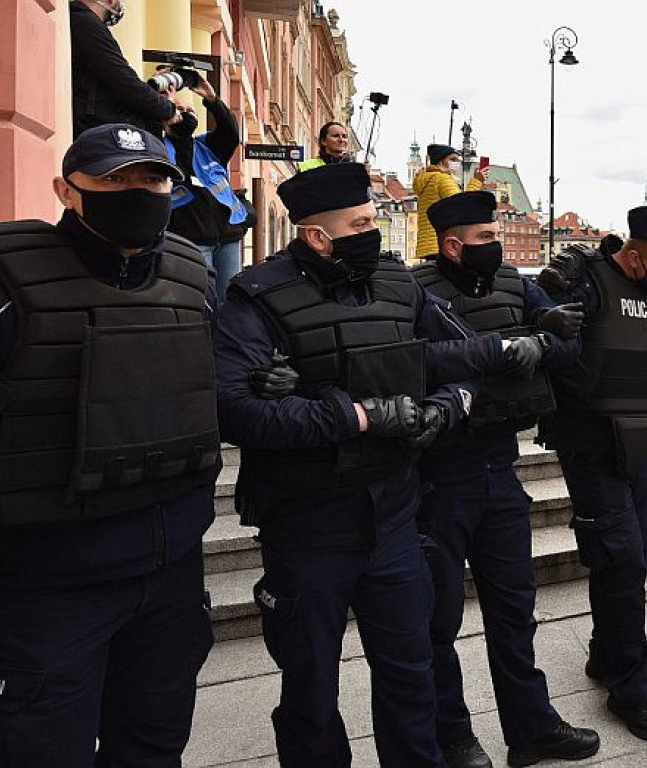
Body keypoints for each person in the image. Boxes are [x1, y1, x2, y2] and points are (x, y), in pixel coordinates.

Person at [213, 162, 521, 766]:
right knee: (310, 689)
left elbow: (458, 362)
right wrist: (354, 416)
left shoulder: (399, 286)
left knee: (410, 675)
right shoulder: (255, 297)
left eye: (372, 220)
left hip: (396, 522)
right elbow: (235, 413)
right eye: (359, 224)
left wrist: (444, 407)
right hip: (307, 526)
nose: (373, 232)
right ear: (317, 237)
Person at [0, 125, 218, 765]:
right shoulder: (1, 280)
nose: (136, 191)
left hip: (171, 574)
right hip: (52, 586)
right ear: (66, 190)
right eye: (114, 179)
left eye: (152, 178)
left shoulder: (194, 274)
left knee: (152, 748)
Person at [410, 191, 598, 768]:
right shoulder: (417, 292)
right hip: (439, 476)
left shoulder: (516, 285)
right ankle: (454, 735)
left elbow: (570, 340)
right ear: (452, 243)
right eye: (487, 238)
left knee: (514, 609)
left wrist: (539, 340)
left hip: (500, 466)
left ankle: (531, 725)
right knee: (437, 619)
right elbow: (415, 359)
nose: (498, 246)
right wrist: (498, 350)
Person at [535, 206, 647, 744]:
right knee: (622, 557)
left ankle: (605, 656)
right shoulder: (592, 281)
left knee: (628, 556)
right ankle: (631, 690)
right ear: (632, 253)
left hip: (643, 437)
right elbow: (557, 348)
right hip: (593, 441)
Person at [163, 78, 248, 306]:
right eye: (180, 109)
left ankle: (226, 342)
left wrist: (211, 99)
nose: (186, 114)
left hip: (227, 236)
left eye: (190, 110)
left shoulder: (207, 146)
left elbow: (230, 133)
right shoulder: (159, 147)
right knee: (201, 301)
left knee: (229, 302)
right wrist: (163, 105)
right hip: (191, 239)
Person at [70, 0, 181, 137]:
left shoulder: (81, 20)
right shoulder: (85, 22)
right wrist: (167, 109)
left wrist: (153, 92)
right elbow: (123, 81)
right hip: (99, 133)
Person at [413, 144, 486, 258]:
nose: (456, 163)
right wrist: (477, 181)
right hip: (442, 243)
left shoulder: (426, 180)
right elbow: (461, 205)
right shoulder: (443, 179)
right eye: (452, 159)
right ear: (441, 162)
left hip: (427, 244)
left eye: (457, 160)